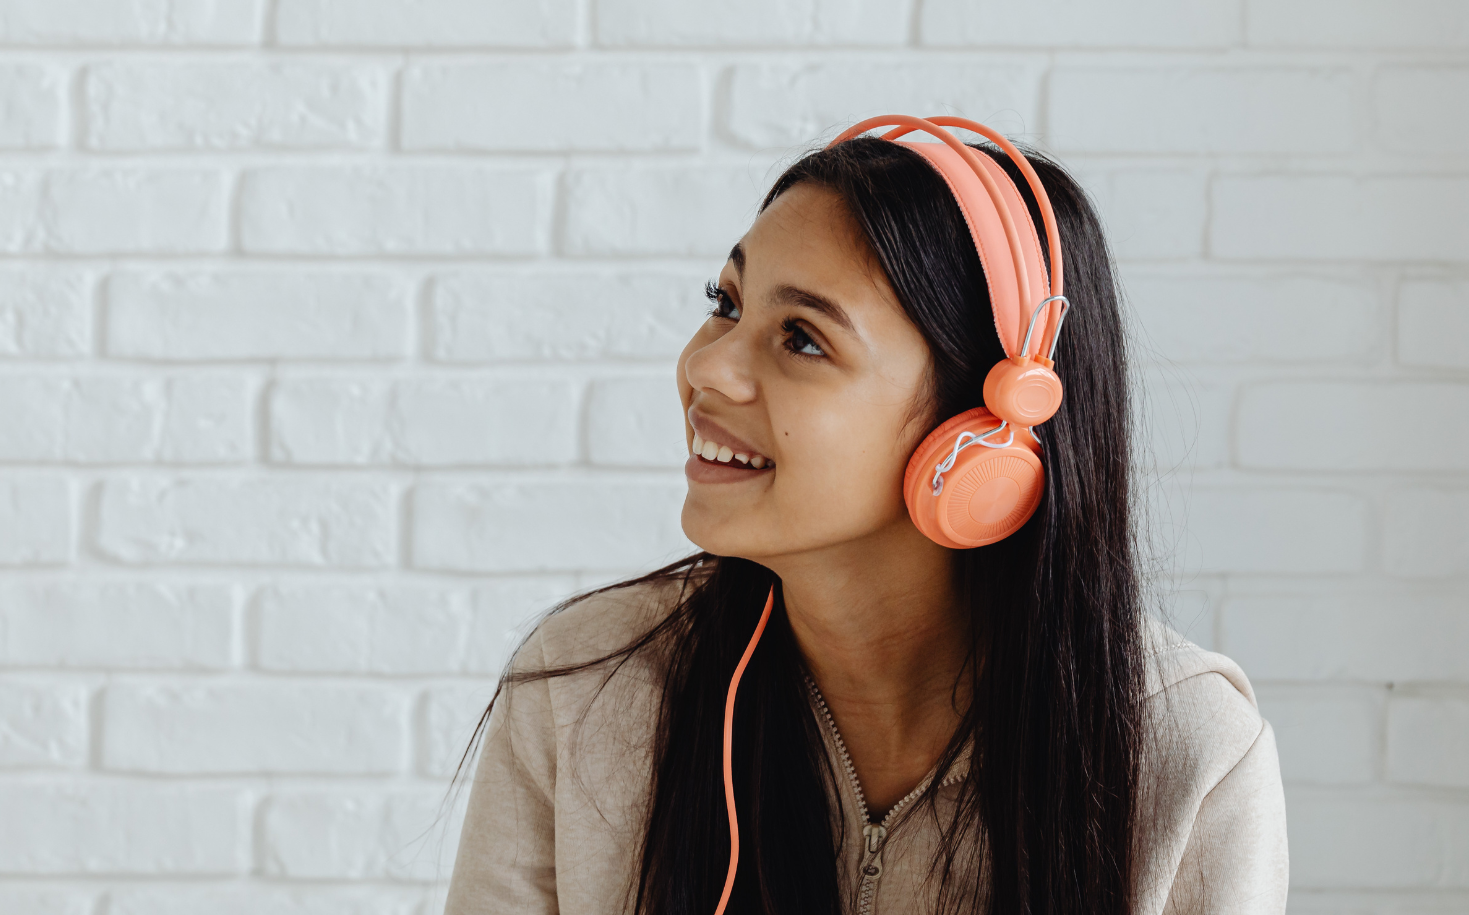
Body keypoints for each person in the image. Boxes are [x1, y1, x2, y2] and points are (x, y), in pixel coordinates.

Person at [440, 119, 1288, 915]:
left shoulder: (1186, 753)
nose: (707, 367)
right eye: (727, 302)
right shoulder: (585, 685)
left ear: (981, 432)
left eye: (803, 338)